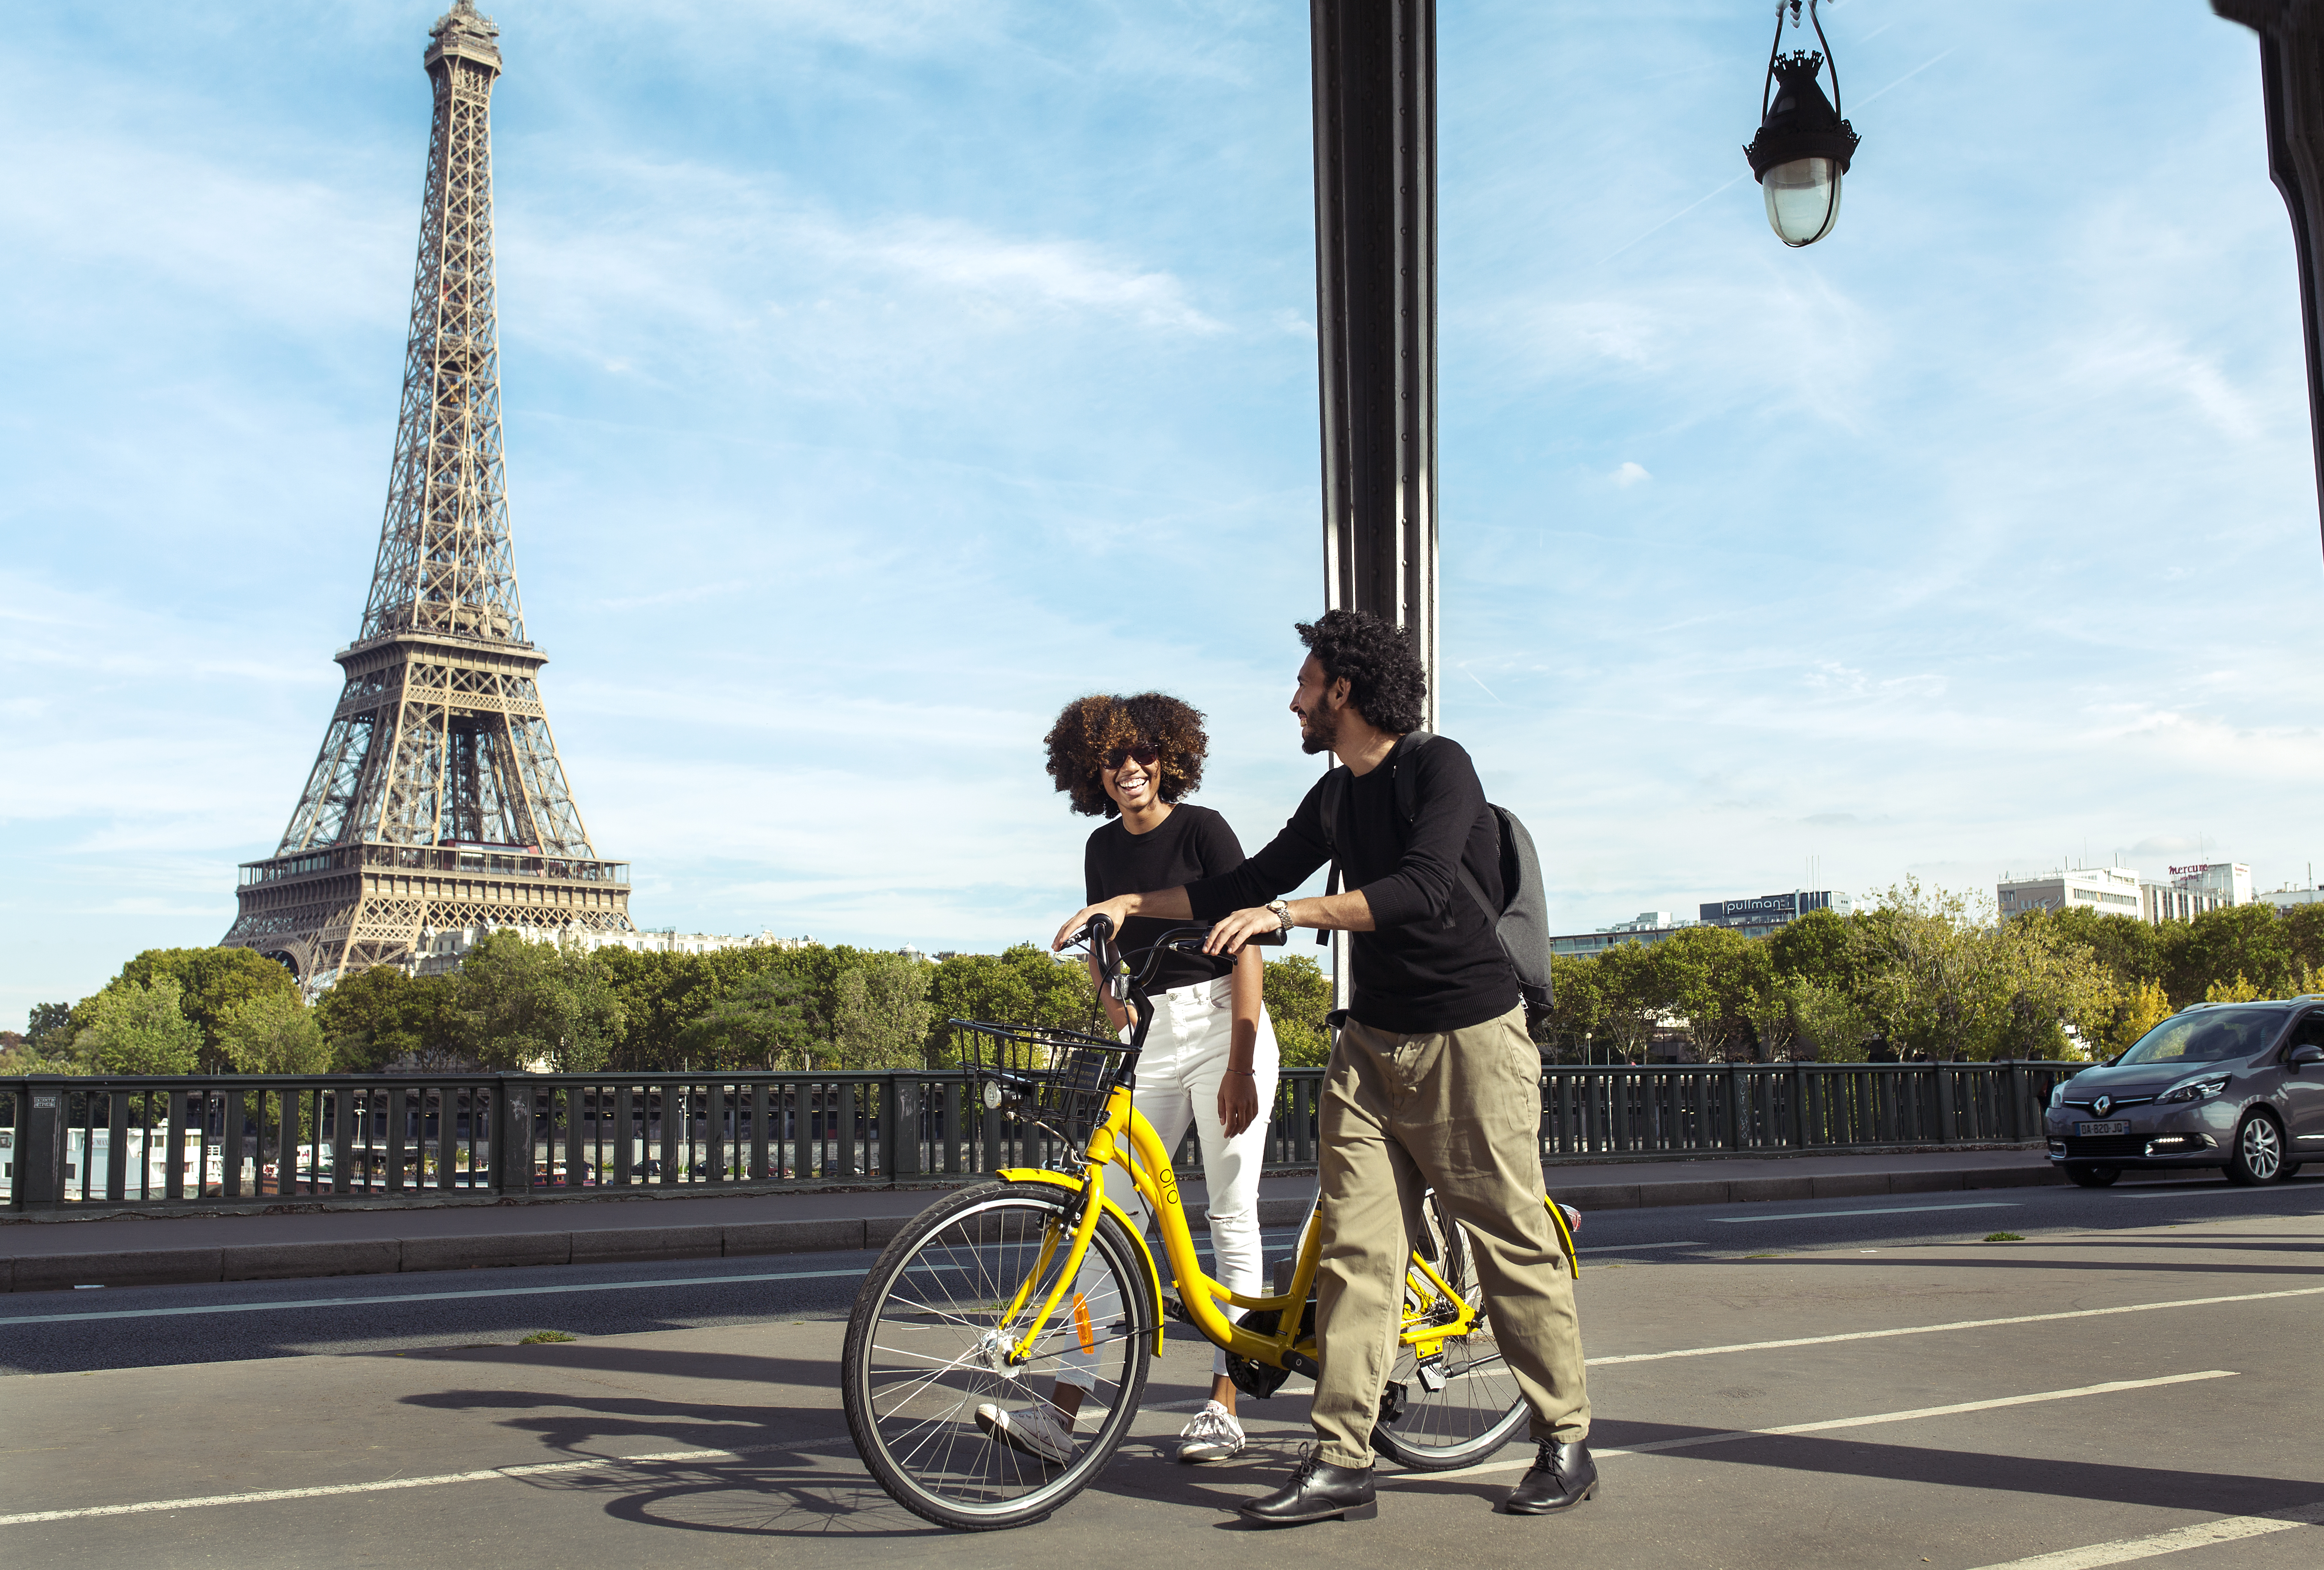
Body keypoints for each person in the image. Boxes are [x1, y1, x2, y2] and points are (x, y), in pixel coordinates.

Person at [1052, 610, 1594, 1524]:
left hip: (1469, 1038)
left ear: (1342, 689)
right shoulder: (1334, 794)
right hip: (1370, 1045)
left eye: (1305, 683)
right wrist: (1128, 899)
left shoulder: (1437, 765)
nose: (1294, 698)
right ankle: (1343, 1459)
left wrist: (1291, 916)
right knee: (1353, 1255)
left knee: (1508, 1240)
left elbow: (1421, 888)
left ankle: (1567, 1438)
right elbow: (1244, 882)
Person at [975, 692, 1283, 1468]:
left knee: (1229, 1213)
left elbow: (1245, 944)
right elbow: (1103, 941)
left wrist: (1242, 1061)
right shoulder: (1101, 849)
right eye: (1110, 760)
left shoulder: (1203, 829)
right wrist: (1109, 995)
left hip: (1223, 1024)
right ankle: (1063, 1414)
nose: (1128, 771)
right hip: (1150, 1036)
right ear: (1092, 772)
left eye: (1140, 755)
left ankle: (1224, 1404)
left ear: (1167, 757)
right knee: (1106, 1222)